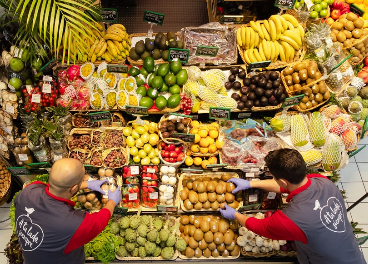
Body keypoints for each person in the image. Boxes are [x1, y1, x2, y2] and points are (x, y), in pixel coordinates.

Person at [220, 149, 366, 264]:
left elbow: (260, 227)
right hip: (353, 255)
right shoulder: (323, 181)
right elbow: (289, 186)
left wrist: (235, 215)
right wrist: (251, 183)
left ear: (282, 181)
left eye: (274, 178)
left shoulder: (293, 219)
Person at [14, 158, 121, 264]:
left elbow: (55, 188)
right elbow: (100, 220)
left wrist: (86, 185)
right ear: (74, 189)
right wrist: (112, 201)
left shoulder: (28, 191)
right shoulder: (73, 224)